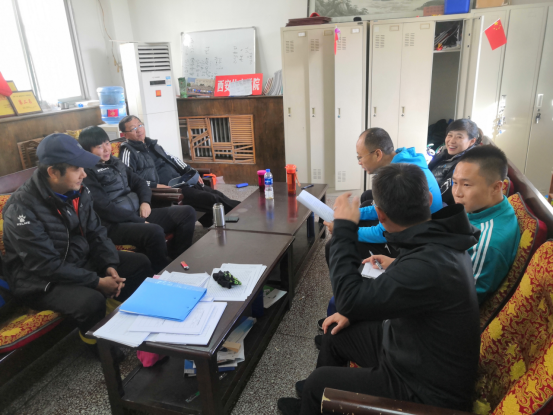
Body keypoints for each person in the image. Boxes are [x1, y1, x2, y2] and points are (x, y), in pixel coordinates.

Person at [277, 164, 481, 415]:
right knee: (335, 334)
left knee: (319, 383)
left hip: (424, 389)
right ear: (428, 199)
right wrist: (394, 265)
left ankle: (315, 396)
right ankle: (311, 404)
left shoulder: (428, 265)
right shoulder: (442, 235)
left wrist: (344, 231)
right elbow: (415, 282)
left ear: (380, 215)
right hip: (411, 347)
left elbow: (349, 300)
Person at [2, 134, 154, 349]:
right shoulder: (21, 208)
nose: (84, 174)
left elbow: (96, 232)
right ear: (53, 172)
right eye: (77, 169)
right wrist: (97, 282)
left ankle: (124, 320)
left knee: (139, 264)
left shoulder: (78, 191)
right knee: (90, 301)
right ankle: (101, 348)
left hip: (75, 260)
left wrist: (108, 265)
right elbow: (45, 265)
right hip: (39, 281)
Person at [78, 126, 197, 273]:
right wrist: (137, 219)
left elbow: (139, 182)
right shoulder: (86, 173)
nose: (106, 149)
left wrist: (145, 202)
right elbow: (104, 208)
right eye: (99, 147)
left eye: (107, 143)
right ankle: (160, 273)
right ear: (87, 151)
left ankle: (178, 259)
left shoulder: (116, 162)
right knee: (154, 231)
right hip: (114, 224)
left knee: (187, 213)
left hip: (137, 213)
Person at [324, 128, 443, 263]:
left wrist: (343, 230)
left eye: (360, 157)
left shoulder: (400, 180)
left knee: (333, 246)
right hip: (412, 228)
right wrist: (350, 214)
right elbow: (380, 208)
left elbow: (382, 232)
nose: (359, 162)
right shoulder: (401, 166)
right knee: (360, 214)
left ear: (377, 154)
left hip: (415, 244)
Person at [118, 115, 239, 227]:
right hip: (170, 190)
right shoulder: (128, 151)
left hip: (182, 181)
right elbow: (129, 179)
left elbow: (173, 159)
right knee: (213, 200)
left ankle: (230, 220)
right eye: (133, 128)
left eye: (140, 125)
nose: (139, 130)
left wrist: (191, 171)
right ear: (124, 134)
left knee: (217, 195)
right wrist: (155, 185)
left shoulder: (153, 145)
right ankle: (245, 213)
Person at [452, 145, 520, 304]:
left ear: (496, 187)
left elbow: (463, 299)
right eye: (454, 182)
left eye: (466, 185)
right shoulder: (484, 206)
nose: (457, 192)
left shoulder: (486, 244)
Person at [428, 119, 483, 206]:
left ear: (472, 141)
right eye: (450, 135)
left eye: (459, 137)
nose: (452, 141)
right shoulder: (442, 155)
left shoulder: (466, 164)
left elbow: (444, 197)